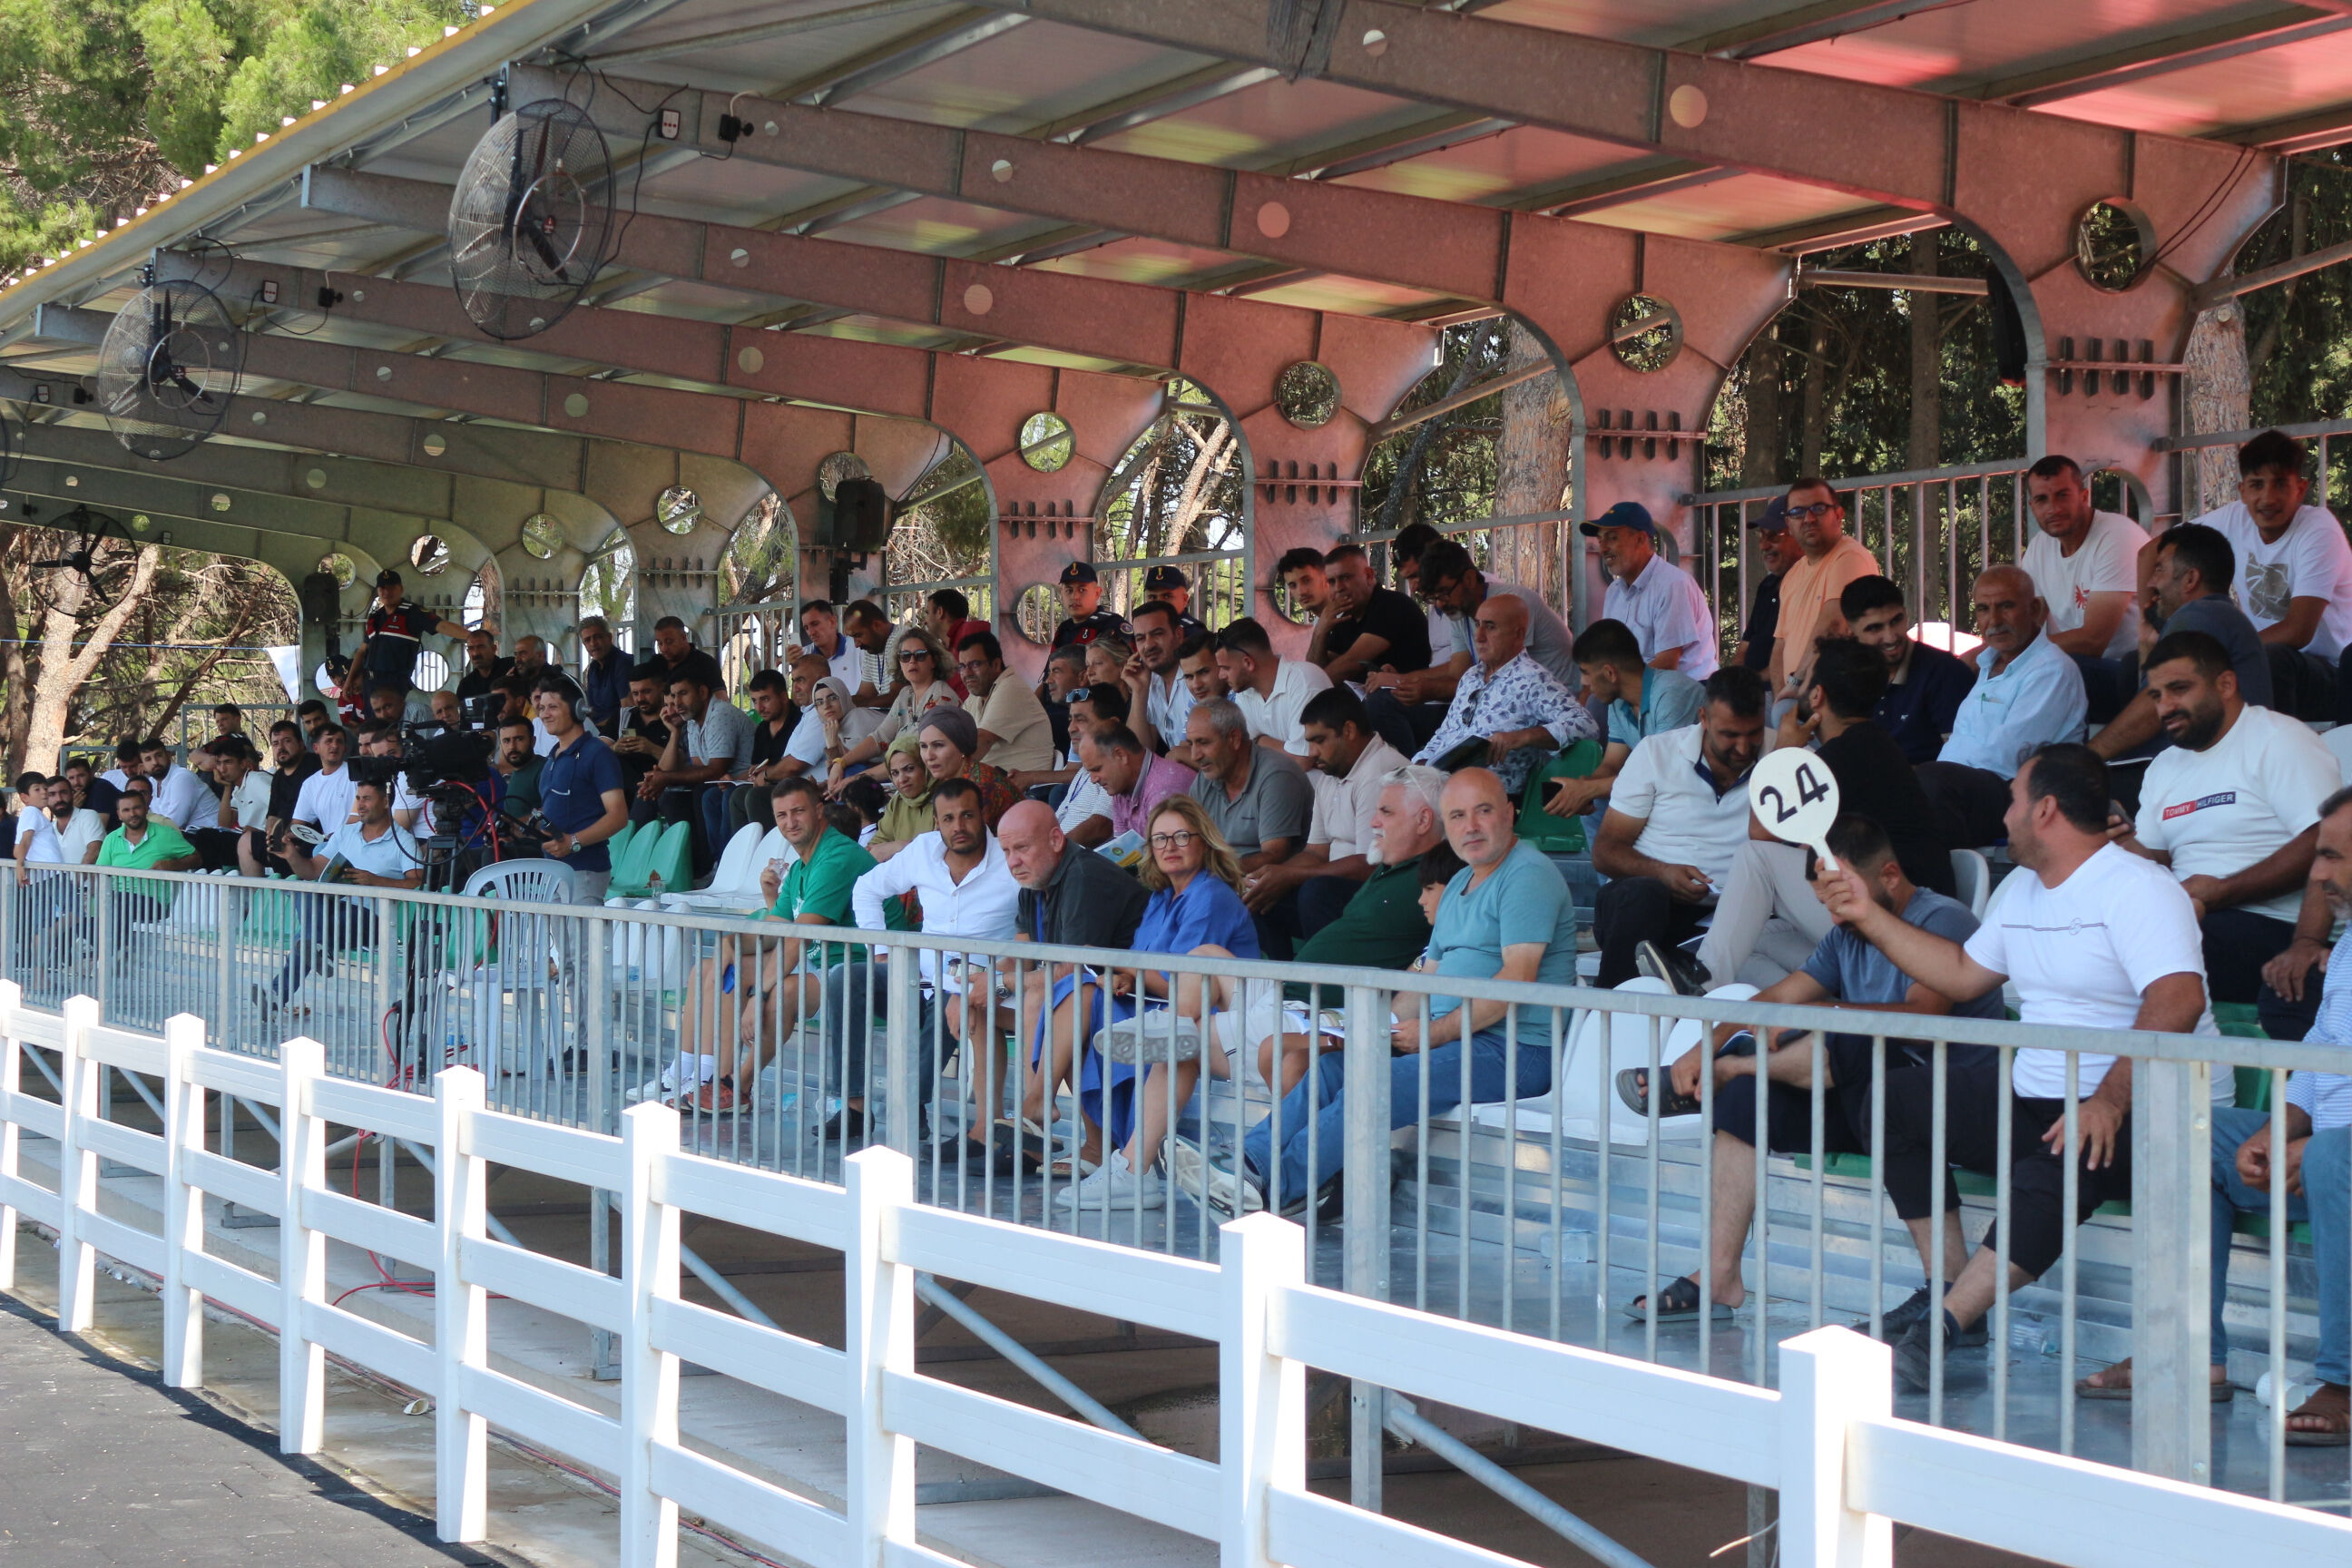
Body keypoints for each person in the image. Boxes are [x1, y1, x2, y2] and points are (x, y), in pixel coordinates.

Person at [1817, 743, 2214, 1389]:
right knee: (1899, 1100)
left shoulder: (2140, 887)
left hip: (2148, 1111)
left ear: (2047, 810)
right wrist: (1866, 913)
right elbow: (1962, 972)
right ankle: (1946, 1294)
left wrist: (2109, 1100)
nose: (2003, 817)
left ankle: (1941, 1329)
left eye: (2013, 801)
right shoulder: (2024, 889)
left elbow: (2179, 999)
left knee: (2054, 1167)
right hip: (2036, 1097)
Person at [1621, 815, 2004, 1324]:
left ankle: (1949, 1296)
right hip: (1869, 1097)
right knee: (1746, 1100)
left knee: (1842, 1038)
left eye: (1843, 900)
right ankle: (1720, 1277)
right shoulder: (1845, 935)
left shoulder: (1943, 919)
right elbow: (1780, 996)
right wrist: (1707, 1045)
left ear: (1888, 876)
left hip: (1945, 1098)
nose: (1836, 916)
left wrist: (1822, 1018)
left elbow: (1921, 1020)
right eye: (1827, 904)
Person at [1174, 769, 1571, 1219]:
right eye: (1458, 816)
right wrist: (1368, 1029)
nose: (1471, 826)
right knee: (1332, 1069)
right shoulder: (1460, 883)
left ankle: (1273, 1185)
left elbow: (1515, 981)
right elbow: (1421, 981)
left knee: (1375, 1082)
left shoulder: (1527, 875)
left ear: (1510, 813)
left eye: (1483, 812)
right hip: (1452, 1038)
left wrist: (1434, 1033)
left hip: (1514, 1047)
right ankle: (1247, 1163)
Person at [2078, 786, 2352, 1432]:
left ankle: (2343, 1381)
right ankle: (2188, 1355)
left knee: (2337, 1155)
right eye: (2319, 857)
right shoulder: (2347, 949)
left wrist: (2320, 1148)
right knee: (2187, 1130)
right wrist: (2274, 1130)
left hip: (2341, 1156)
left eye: (2334, 858)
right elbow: (2323, 1050)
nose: (2317, 875)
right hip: (2332, 1153)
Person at [1690, 638, 1954, 992]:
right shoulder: (1873, 745)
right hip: (1891, 922)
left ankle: (1699, 983)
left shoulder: (1839, 757)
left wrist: (1785, 748)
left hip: (1898, 926)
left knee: (1756, 860)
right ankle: (1816, 1013)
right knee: (1747, 940)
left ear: (1817, 697)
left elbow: (1760, 834)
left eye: (1806, 676)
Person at [2112, 631, 2336, 1023]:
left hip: (2271, 926)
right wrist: (2120, 842)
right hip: (2192, 917)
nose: (2165, 707)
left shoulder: (2279, 739)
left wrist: (2304, 941)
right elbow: (2155, 862)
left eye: (2178, 689)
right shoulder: (2164, 766)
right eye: (2156, 696)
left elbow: (2325, 840)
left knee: (2137, 951)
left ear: (2226, 684)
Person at [1054, 796, 1259, 1209]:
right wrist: (1124, 974)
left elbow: (1180, 979)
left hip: (1227, 1011)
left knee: (1163, 1034)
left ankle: (1125, 1161)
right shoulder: (1161, 897)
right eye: (1160, 838)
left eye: (1182, 836)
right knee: (1081, 993)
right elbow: (1146, 966)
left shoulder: (1211, 895)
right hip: (1171, 1009)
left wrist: (1111, 961)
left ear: (1204, 842)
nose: (1170, 846)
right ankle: (1114, 1152)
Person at [818, 775, 1021, 1140]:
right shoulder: (923, 850)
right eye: (948, 819)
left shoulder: (1009, 859)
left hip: (980, 984)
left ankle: (911, 1106)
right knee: (845, 977)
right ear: (936, 822)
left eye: (967, 816)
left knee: (950, 1000)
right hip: (921, 977)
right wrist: (880, 952)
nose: (958, 827)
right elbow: (866, 889)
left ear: (983, 815)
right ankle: (854, 1107)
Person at [680, 778, 884, 1112]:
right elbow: (774, 928)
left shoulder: (836, 857)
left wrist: (758, 994)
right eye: (782, 815)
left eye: (799, 811)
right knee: (729, 966)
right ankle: (718, 1078)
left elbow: (796, 938)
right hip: (822, 964)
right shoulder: (803, 865)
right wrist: (732, 943)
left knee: (781, 992)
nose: (790, 822)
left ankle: (738, 1086)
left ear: (819, 810)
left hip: (860, 969)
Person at [987, 799, 1152, 1174]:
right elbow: (1022, 954)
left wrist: (1002, 983)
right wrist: (982, 983)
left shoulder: (1084, 876)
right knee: (978, 1005)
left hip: (1133, 995)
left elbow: (1074, 968)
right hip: (1087, 996)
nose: (1013, 861)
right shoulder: (1033, 881)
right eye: (1007, 851)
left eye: (1022, 848)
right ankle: (996, 1131)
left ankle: (1061, 1126)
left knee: (1044, 997)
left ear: (1056, 839)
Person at [1590, 667, 1769, 986]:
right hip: (1648, 905)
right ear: (1703, 717)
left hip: (1733, 918)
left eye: (1753, 734)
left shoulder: (1786, 757)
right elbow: (1605, 852)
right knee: (1644, 895)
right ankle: (1612, 1018)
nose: (1743, 748)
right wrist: (1663, 873)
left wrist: (1782, 760)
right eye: (1729, 735)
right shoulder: (1656, 752)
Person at [1915, 565, 2088, 848]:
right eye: (1983, 609)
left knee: (1933, 783)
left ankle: (1943, 886)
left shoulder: (2051, 670)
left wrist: (1931, 775)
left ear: (2035, 609)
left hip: (2023, 794)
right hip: (1972, 786)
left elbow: (2006, 758)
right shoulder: (1988, 664)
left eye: (2006, 606)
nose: (1994, 620)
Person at [2190, 428, 2352, 720]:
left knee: (2270, 660)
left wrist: (2223, 652)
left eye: (2280, 484)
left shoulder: (2318, 529)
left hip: (2332, 672)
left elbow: (2298, 631)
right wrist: (2148, 626)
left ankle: (2272, 758)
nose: (2268, 498)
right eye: (2256, 484)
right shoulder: (2234, 518)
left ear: (2300, 489)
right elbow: (2152, 551)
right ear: (2243, 491)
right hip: (2265, 660)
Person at [2092, 521, 2272, 764]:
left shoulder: (2201, 613)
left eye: (2159, 570)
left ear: (2190, 579)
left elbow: (2150, 715)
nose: (2150, 583)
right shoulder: (2210, 617)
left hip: (2211, 772)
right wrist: (2147, 646)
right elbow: (2156, 700)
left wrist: (2083, 758)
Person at [1244, 686, 1407, 954]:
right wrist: (1271, 877)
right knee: (1261, 897)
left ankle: (1327, 989)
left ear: (1349, 731)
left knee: (1316, 892)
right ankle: (1280, 990)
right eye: (1309, 742)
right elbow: (1316, 852)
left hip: (1383, 895)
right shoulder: (1330, 776)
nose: (1311, 753)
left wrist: (1292, 874)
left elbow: (1372, 864)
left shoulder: (1380, 770)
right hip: (1339, 891)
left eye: (1319, 740)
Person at [1411, 592, 1596, 796]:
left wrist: (1522, 737)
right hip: (1444, 786)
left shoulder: (1532, 679)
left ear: (1518, 635)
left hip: (1489, 797)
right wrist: (1420, 764)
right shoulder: (1471, 676)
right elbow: (1446, 732)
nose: (1479, 636)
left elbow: (1585, 725)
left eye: (1490, 627)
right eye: (1478, 624)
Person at [2019, 454, 2148, 720]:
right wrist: (1987, 655)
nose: (2053, 508)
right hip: (2073, 666)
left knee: (2049, 671)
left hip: (2131, 673)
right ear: (2032, 506)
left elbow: (2093, 641)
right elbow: (2026, 622)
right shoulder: (2039, 547)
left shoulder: (2116, 535)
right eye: (2042, 500)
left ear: (2084, 496)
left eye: (2062, 495)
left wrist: (2016, 653)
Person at [1548, 619, 1704, 818]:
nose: (1583, 682)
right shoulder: (1618, 702)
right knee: (1594, 810)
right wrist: (1583, 788)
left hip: (1695, 800)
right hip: (1663, 793)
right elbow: (1612, 764)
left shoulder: (1672, 694)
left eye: (1585, 672)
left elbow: (1665, 776)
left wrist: (1590, 789)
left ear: (1610, 673)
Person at [1415, 538, 1580, 691]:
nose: (1440, 604)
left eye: (1444, 593)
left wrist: (1425, 690)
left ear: (1470, 579)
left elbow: (1505, 676)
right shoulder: (1459, 610)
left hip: (1553, 700)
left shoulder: (1514, 603)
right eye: (1433, 598)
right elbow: (1458, 675)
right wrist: (1408, 685)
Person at [1840, 576, 1974, 766]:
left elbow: (1959, 764)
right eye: (1875, 628)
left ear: (1905, 614)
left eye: (1896, 621)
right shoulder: (1845, 673)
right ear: (1850, 631)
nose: (1890, 637)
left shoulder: (1944, 673)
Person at [1769, 476, 1879, 697]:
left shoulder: (1850, 557)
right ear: (1788, 524)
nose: (1808, 519)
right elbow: (1780, 647)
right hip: (1796, 697)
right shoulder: (1792, 575)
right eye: (1797, 512)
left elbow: (1834, 625)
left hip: (1833, 700)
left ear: (1838, 515)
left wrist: (1795, 684)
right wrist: (1783, 698)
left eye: (1818, 509)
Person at [1586, 500, 1718, 678]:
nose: (1603, 549)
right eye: (1600, 540)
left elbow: (1667, 664)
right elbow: (1609, 655)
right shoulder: (1614, 591)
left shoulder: (1672, 585)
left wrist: (1616, 686)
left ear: (1641, 539)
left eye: (1612, 537)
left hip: (1683, 695)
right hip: (1639, 693)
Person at [1185, 698, 1313, 874]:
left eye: (1204, 742)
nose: (1194, 756)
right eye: (1190, 744)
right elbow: (1189, 840)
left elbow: (1275, 855)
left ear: (1234, 739)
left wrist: (1212, 874)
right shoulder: (1206, 778)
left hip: (1268, 888)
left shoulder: (1277, 776)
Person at [644, 668, 753, 870]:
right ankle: (706, 866)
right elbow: (699, 766)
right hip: (723, 784)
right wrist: (660, 778)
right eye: (674, 696)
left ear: (702, 693)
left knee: (709, 794)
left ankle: (724, 866)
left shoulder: (720, 714)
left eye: (683, 694)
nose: (677, 704)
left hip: (746, 782)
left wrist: (665, 778)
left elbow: (714, 769)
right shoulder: (692, 721)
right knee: (682, 796)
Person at [534, 681, 631, 903]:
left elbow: (618, 816)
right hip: (553, 871)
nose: (545, 714)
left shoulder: (597, 753)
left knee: (585, 939)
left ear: (579, 709)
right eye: (541, 708)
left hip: (584, 871)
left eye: (553, 707)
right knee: (560, 940)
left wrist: (573, 841)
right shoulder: (552, 757)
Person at [833, 628, 958, 784]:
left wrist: (854, 780)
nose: (912, 661)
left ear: (933, 660)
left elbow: (912, 756)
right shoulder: (906, 694)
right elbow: (880, 738)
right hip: (904, 779)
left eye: (920, 655)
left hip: (929, 783)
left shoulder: (941, 695)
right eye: (905, 656)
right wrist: (841, 763)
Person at [901, 708, 1020, 846]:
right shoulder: (948, 779)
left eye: (938, 745)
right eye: (923, 746)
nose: (929, 756)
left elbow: (962, 845)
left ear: (962, 746)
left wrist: (898, 847)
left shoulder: (981, 784)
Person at [1319, 541, 1433, 686]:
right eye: (1332, 582)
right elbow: (1319, 668)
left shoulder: (1392, 605)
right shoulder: (1347, 617)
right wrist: (1320, 631)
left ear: (1368, 575)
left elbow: (1350, 664)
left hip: (1413, 700)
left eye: (1346, 578)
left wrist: (1308, 693)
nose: (1338, 588)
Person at [1216, 616, 1331, 757]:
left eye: (1226, 668)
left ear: (1248, 663)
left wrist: (1259, 740)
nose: (1221, 676)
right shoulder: (1244, 694)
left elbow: (1301, 761)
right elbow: (1242, 753)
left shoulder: (1304, 681)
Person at [350, 568, 466, 697]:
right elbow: (362, 651)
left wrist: (471, 637)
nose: (386, 592)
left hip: (393, 684)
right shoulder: (375, 617)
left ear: (401, 589)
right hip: (369, 683)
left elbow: (442, 626)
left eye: (391, 587)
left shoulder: (413, 612)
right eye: (382, 588)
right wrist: (349, 681)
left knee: (386, 717)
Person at [956, 629, 1054, 774]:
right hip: (993, 785)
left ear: (995, 665)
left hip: (1024, 790)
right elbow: (957, 738)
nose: (967, 673)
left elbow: (984, 740)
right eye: (962, 667)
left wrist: (949, 776)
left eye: (975, 664)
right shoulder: (977, 695)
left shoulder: (1011, 687)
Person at [1083, 721, 1195, 840]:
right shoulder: (1120, 786)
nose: (1093, 779)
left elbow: (1167, 854)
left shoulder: (1164, 790)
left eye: (1097, 769)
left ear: (1120, 755)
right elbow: (1124, 851)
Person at [239, 721, 318, 878]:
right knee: (245, 841)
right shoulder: (278, 777)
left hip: (308, 838)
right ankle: (259, 899)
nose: (281, 747)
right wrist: (272, 839)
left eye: (287, 741)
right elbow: (273, 816)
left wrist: (285, 836)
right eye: (275, 743)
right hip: (284, 838)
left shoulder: (313, 765)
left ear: (301, 744)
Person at [1730, 498, 1799, 672]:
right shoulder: (1767, 585)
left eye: (1774, 536)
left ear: (1801, 534)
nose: (1763, 545)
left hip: (1779, 689)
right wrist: (1732, 682)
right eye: (1761, 535)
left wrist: (1752, 682)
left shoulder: (1810, 588)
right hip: (1750, 689)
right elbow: (1745, 646)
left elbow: (1798, 662)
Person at [1122, 600, 1195, 758]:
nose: (1148, 645)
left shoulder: (1197, 677)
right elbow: (1137, 753)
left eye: (1157, 634)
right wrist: (1139, 691)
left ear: (1178, 635)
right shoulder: (1150, 681)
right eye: (1140, 638)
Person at [191, 737, 270, 870]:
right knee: (203, 836)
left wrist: (261, 828)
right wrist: (227, 788)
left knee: (207, 838)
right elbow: (224, 823)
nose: (222, 769)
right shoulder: (238, 788)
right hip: (248, 840)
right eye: (219, 763)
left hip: (267, 840)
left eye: (228, 762)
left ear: (243, 764)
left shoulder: (256, 780)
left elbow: (282, 807)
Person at [611, 666, 674, 810]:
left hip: (659, 785)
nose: (640, 699)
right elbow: (598, 751)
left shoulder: (673, 718)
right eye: (635, 693)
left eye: (646, 692)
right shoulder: (624, 716)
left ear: (661, 689)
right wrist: (615, 748)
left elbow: (682, 763)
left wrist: (651, 749)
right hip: (622, 787)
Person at [288, 725, 358, 847]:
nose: (335, 746)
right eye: (329, 741)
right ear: (316, 748)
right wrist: (285, 838)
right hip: (329, 847)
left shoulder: (357, 774)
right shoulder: (310, 784)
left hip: (358, 842)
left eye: (339, 741)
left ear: (345, 748)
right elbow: (298, 824)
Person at [869, 736, 936, 856]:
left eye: (909, 769)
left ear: (925, 767)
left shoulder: (944, 799)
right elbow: (874, 848)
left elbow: (936, 850)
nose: (902, 779)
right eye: (895, 773)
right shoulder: (898, 802)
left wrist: (898, 847)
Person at [138, 738, 217, 834]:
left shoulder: (182, 777)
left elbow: (174, 823)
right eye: (148, 759)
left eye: (158, 755)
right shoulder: (151, 783)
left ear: (168, 755)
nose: (155, 762)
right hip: (187, 837)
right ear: (143, 765)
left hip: (212, 835)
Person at [1048, 561, 1129, 651]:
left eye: (1082, 590)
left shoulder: (1112, 625)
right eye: (1069, 590)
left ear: (1097, 593)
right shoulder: (1064, 630)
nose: (1075, 597)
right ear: (1061, 594)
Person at [925, 589, 990, 696]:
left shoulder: (972, 630)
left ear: (940, 612)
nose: (925, 621)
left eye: (927, 613)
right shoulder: (942, 651)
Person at [1277, 547, 1336, 656]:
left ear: (1326, 578)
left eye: (1307, 580)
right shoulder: (1319, 621)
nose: (1301, 591)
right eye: (1293, 585)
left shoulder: (1347, 615)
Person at [577, 615, 631, 733]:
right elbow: (592, 710)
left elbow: (628, 711)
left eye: (598, 637)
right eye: (587, 640)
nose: (593, 643)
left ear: (609, 637)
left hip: (619, 733)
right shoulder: (593, 668)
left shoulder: (623, 663)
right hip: (597, 731)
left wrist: (595, 727)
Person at [649, 615, 726, 695]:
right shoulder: (656, 663)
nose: (664, 648)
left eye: (669, 642)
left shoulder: (705, 664)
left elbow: (720, 698)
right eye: (660, 643)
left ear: (684, 637)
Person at [799, 599, 863, 694]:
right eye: (806, 628)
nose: (811, 632)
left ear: (832, 622)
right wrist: (796, 667)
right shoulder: (804, 656)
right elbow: (800, 701)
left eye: (815, 624)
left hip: (855, 708)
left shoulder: (858, 648)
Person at [840, 600, 895, 708]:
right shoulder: (872, 648)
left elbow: (897, 697)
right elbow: (864, 695)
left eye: (858, 635)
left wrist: (854, 705)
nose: (856, 645)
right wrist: (839, 704)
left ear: (876, 625)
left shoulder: (902, 641)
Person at [495, 719, 544, 816]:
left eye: (519, 739)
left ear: (533, 741)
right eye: (506, 741)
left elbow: (557, 811)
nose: (512, 747)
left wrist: (517, 823)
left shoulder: (545, 770)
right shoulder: (517, 771)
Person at [1143, 564, 1206, 636]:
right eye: (1152, 597)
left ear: (1185, 599)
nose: (1159, 602)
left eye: (1167, 596)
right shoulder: (1142, 628)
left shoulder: (1193, 632)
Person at [453, 629, 512, 703]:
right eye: (471, 648)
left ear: (493, 648)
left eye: (481, 647)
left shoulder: (511, 666)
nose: (475, 653)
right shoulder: (466, 685)